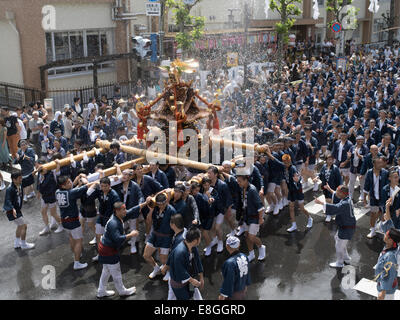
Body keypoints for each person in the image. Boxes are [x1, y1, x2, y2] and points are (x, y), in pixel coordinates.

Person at [97, 200, 150, 298]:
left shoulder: (119, 216)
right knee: (116, 272)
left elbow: (132, 210)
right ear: (117, 211)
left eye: (125, 209)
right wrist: (131, 234)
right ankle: (122, 291)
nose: (125, 211)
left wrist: (145, 203)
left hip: (105, 248)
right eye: (123, 210)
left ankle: (101, 291)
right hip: (108, 250)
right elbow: (117, 239)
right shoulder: (114, 223)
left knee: (106, 271)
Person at [315, 185, 356, 268]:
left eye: (338, 192)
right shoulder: (347, 199)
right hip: (347, 226)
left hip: (347, 228)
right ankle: (346, 258)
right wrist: (330, 189)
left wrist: (322, 203)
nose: (336, 193)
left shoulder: (345, 203)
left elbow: (336, 208)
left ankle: (340, 262)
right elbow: (335, 195)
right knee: (338, 239)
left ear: (343, 193)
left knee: (339, 245)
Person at [56, 175, 90, 270]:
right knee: (79, 240)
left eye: (70, 181)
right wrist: (85, 180)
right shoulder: (71, 193)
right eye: (68, 183)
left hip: (64, 221)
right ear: (63, 186)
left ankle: (76, 254)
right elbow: (87, 186)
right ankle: (77, 262)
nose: (70, 183)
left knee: (71, 238)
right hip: (73, 221)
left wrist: (77, 179)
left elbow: (73, 188)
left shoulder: (57, 192)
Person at [143, 192, 177, 279]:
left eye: (162, 204)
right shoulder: (155, 208)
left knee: (163, 260)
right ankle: (156, 268)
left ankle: (169, 272)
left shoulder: (172, 211)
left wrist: (174, 238)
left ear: (166, 202)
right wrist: (151, 210)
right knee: (146, 255)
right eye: (158, 204)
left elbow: (175, 225)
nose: (160, 206)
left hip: (166, 237)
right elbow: (148, 221)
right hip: (155, 234)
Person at [87, 177, 121, 262]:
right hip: (101, 217)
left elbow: (118, 209)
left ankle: (112, 254)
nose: (103, 188)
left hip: (110, 218)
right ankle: (100, 254)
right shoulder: (100, 191)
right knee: (98, 235)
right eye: (101, 186)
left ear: (109, 186)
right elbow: (88, 194)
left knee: (110, 238)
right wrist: (95, 183)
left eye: (105, 186)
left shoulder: (114, 195)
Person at [236, 174, 266, 262]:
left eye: (240, 181)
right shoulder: (242, 188)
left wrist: (261, 218)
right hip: (246, 215)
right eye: (238, 181)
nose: (238, 183)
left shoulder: (252, 190)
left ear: (246, 180)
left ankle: (261, 247)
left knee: (251, 236)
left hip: (254, 217)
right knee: (246, 236)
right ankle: (251, 253)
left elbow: (260, 206)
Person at [168, 226, 204, 300]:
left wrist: (201, 277)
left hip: (189, 279)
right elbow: (180, 270)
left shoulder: (193, 247)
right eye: (199, 238)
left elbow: (197, 261)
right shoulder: (179, 252)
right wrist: (192, 280)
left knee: (191, 294)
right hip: (178, 282)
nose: (200, 240)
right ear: (195, 240)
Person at [3, 171, 35, 250]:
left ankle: (17, 243)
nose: (21, 179)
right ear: (14, 179)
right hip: (12, 211)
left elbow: (27, 179)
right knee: (24, 226)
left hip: (16, 210)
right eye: (19, 178)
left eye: (21, 178)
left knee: (19, 226)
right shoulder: (10, 189)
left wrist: (34, 173)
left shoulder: (19, 184)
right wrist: (12, 208)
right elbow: (7, 200)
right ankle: (23, 244)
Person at [363, 157, 389, 238]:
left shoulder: (385, 172)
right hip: (373, 197)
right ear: (373, 164)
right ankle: (373, 230)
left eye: (381, 163)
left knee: (384, 215)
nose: (380, 164)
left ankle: (383, 228)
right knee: (373, 214)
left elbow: (388, 186)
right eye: (378, 163)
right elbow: (366, 186)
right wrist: (364, 199)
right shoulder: (370, 172)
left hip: (383, 197)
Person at [219, 236, 251, 300]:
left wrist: (222, 295)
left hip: (233, 294)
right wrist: (246, 285)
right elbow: (247, 274)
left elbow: (229, 281)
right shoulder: (244, 256)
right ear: (239, 245)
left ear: (227, 246)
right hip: (242, 290)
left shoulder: (229, 263)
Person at [37, 159, 64, 235]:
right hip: (44, 196)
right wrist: (39, 192)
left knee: (53, 213)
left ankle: (61, 224)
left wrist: (58, 164)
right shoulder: (40, 173)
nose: (42, 169)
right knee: (43, 212)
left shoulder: (52, 173)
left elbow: (57, 171)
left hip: (51, 196)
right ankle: (46, 227)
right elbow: (39, 183)